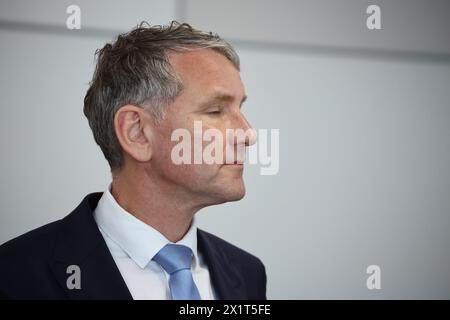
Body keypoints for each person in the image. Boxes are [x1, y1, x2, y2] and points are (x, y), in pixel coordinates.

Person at [0, 21, 266, 300]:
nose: (248, 134)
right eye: (215, 111)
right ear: (137, 132)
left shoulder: (248, 273)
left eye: (240, 108)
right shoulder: (15, 276)